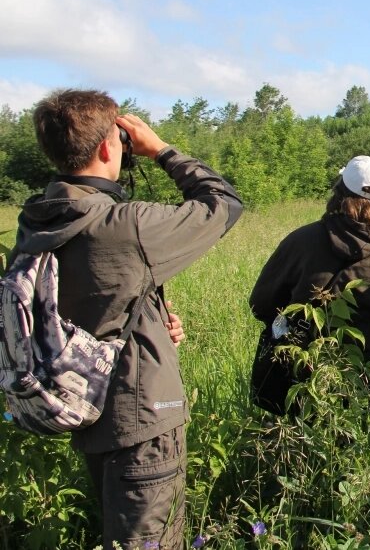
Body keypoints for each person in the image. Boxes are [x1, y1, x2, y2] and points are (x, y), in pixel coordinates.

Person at [9, 89, 243, 549]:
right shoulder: (125, 225)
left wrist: (152, 323)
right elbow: (223, 203)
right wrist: (161, 150)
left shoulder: (37, 221)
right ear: (105, 146)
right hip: (142, 419)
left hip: (86, 409)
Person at [249, 155, 370, 412]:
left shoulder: (301, 241)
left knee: (299, 448)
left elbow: (261, 305)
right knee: (367, 450)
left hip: (301, 382)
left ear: (339, 192)